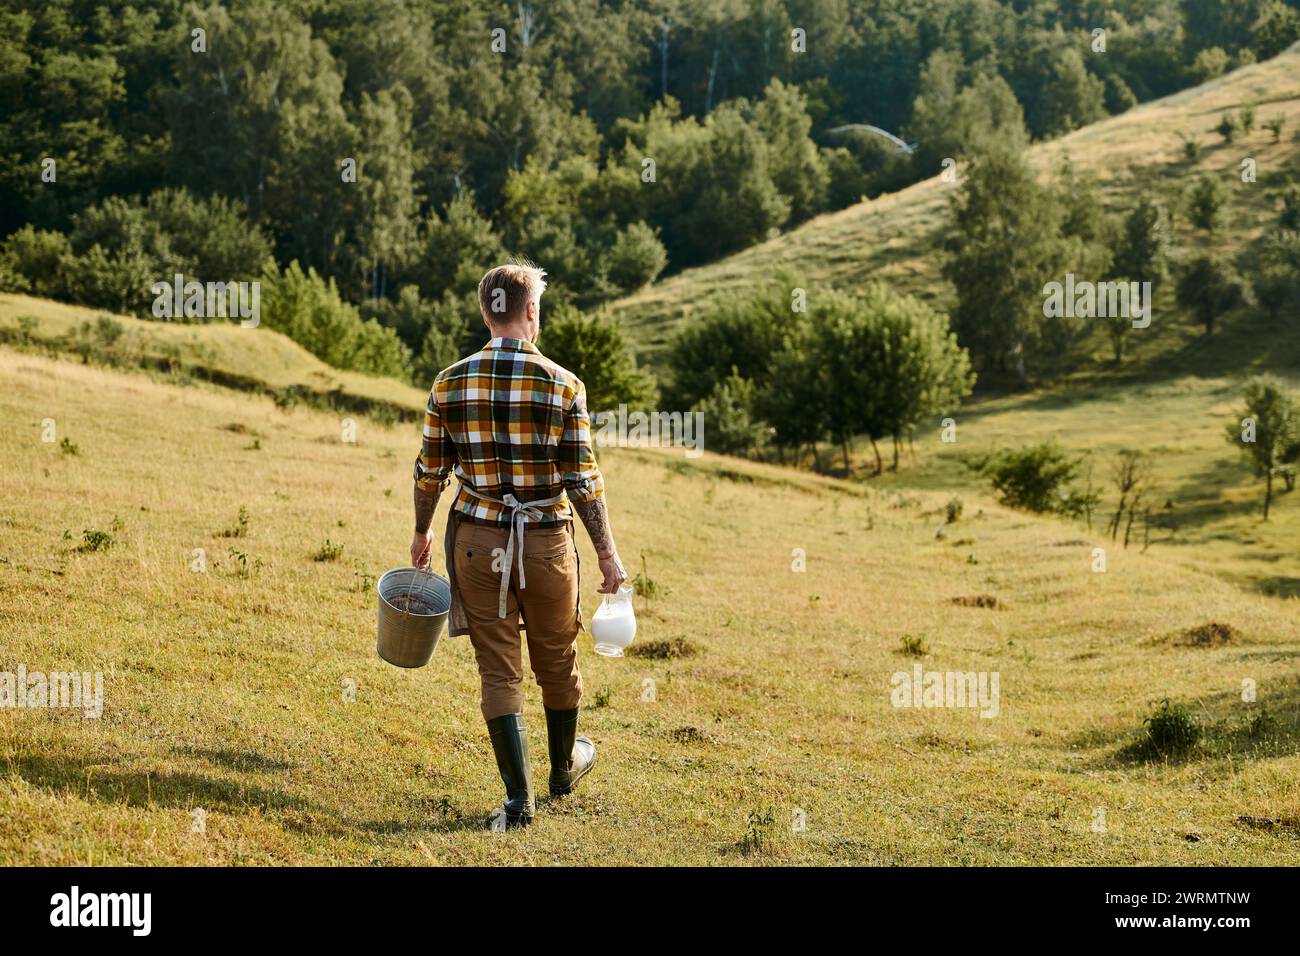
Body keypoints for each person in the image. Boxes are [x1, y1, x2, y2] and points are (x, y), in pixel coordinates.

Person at [410, 260, 627, 829]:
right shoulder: (563, 384)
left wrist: (422, 528)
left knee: (498, 671)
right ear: (531, 310)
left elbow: (430, 471)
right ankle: (562, 770)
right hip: (546, 545)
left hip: (478, 543)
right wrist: (606, 553)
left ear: (487, 312)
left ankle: (516, 800)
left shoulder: (448, 381)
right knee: (557, 657)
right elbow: (582, 481)